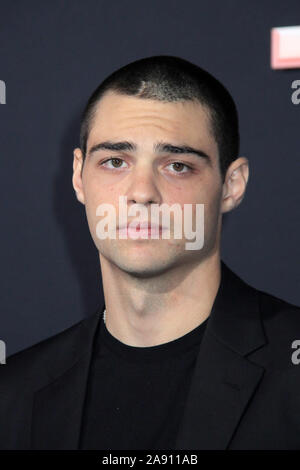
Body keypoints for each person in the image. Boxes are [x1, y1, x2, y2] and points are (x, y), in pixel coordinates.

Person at [1, 55, 300, 450]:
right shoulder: (14, 394)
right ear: (78, 177)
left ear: (231, 186)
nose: (141, 192)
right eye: (114, 162)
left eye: (177, 165)